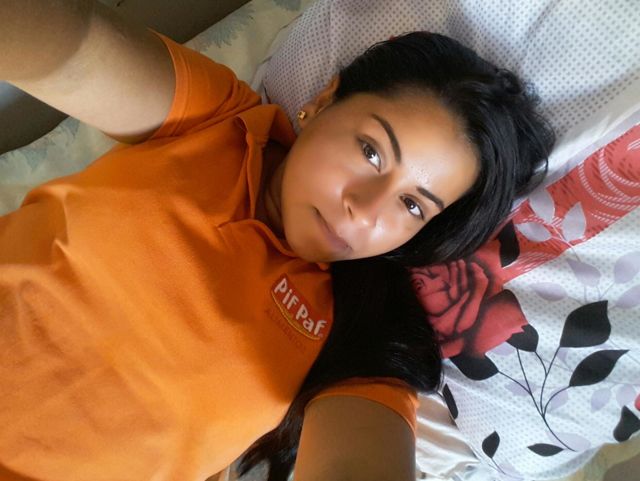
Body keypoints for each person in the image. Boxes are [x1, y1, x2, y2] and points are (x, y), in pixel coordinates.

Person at [0, 1, 555, 480]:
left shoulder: (364, 331)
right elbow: (71, 48)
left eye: (412, 205)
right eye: (371, 152)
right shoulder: (217, 120)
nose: (364, 210)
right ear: (324, 100)